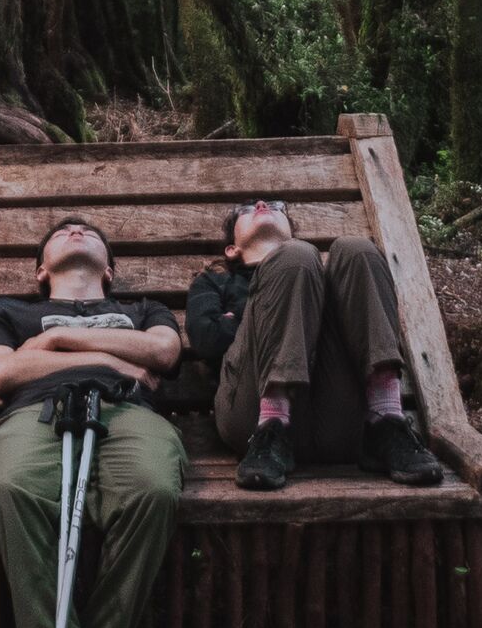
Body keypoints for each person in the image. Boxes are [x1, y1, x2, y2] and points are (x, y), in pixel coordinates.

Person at [0, 219, 184, 628]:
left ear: (108, 269)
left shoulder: (143, 309)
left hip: (129, 417)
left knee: (153, 493)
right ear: (41, 271)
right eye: (63, 231)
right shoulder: (9, 314)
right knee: (9, 490)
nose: (75, 231)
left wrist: (57, 341)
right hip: (35, 417)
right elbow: (0, 372)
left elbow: (163, 351)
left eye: (86, 231)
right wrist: (114, 360)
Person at [183, 201, 447, 492]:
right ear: (232, 249)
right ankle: (273, 424)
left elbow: (221, 330)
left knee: (357, 249)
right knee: (294, 259)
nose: (261, 205)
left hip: (337, 418)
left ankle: (386, 418)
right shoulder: (216, 283)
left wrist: (240, 318)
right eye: (245, 210)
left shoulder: (324, 279)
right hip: (250, 417)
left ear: (291, 233)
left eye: (276, 207)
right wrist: (265, 312)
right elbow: (207, 339)